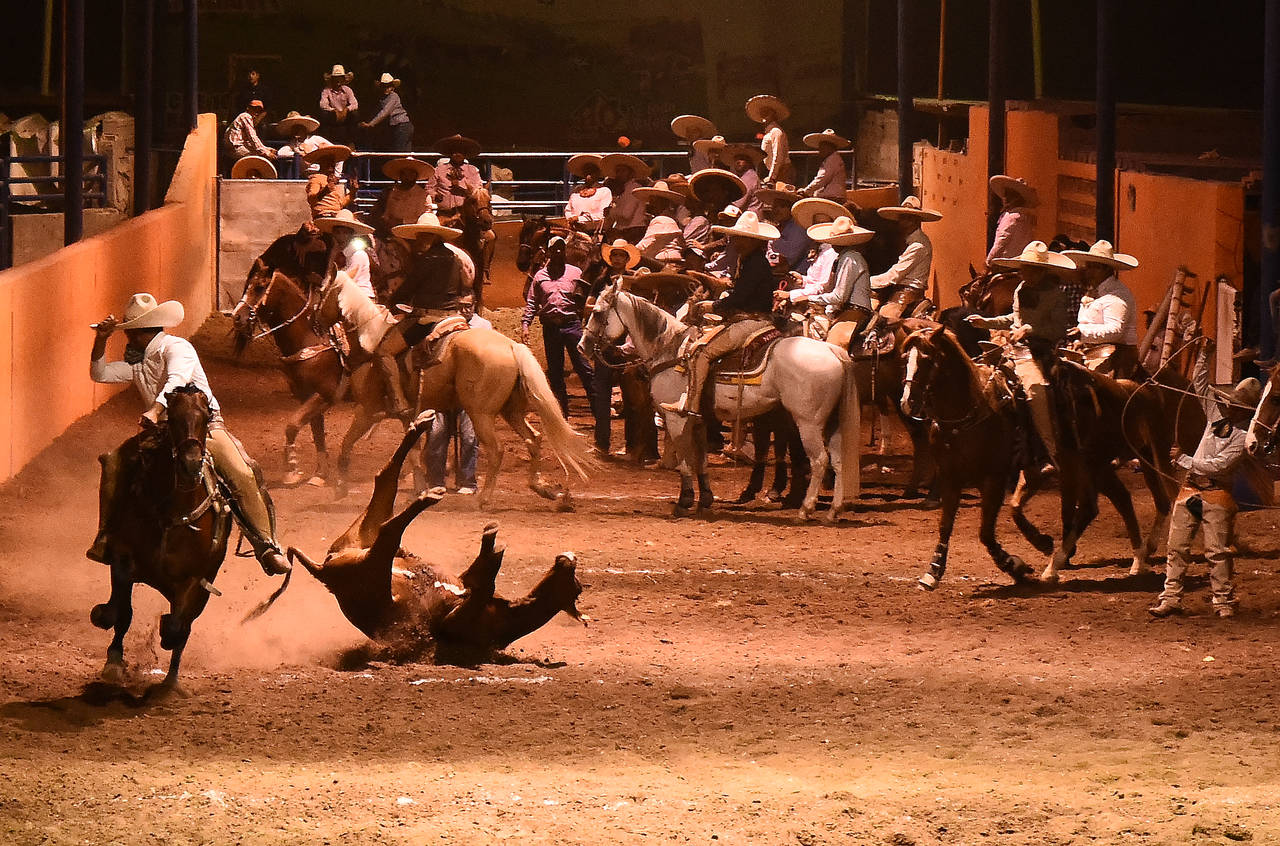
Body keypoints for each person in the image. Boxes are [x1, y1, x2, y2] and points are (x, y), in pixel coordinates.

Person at [88, 293, 290, 576]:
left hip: (199, 427)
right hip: (164, 431)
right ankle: (106, 536)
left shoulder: (177, 348)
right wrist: (101, 340)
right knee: (113, 463)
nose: (127, 339)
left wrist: (156, 410)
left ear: (138, 332)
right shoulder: (137, 362)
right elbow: (100, 374)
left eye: (128, 333)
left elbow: (177, 380)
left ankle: (266, 545)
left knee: (241, 473)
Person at [1150, 340, 1261, 618]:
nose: (1232, 409)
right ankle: (1171, 597)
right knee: (1176, 548)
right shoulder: (1216, 415)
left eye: (1238, 407)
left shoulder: (1243, 438)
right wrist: (1204, 354)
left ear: (1246, 412)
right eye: (1232, 404)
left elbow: (1218, 466)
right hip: (1190, 490)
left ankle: (1223, 601)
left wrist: (1183, 459)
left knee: (1217, 552)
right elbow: (1199, 385)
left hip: (1216, 494)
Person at [661, 211, 780, 418]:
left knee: (701, 352)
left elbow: (740, 298)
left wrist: (713, 306)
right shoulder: (752, 260)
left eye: (740, 238)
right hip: (757, 318)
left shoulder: (754, 264)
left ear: (751, 240)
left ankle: (691, 404)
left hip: (751, 321)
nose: (735, 242)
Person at [966, 241, 1076, 463]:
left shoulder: (1055, 295)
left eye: (1028, 268)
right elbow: (1012, 320)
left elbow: (1059, 328)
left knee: (1036, 391)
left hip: (1037, 351)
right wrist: (985, 322)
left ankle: (1051, 452)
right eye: (1023, 267)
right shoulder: (1020, 289)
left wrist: (1030, 330)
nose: (1022, 272)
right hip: (1011, 349)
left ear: (1041, 270)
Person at [376, 211, 471, 419]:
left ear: (434, 236)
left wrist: (392, 301)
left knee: (384, 351)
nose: (420, 240)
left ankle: (398, 401)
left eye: (425, 236)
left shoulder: (426, 259)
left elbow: (408, 288)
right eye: (420, 236)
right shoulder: (454, 258)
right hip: (453, 316)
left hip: (428, 319)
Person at [521, 236, 597, 417]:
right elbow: (532, 302)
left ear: (565, 252)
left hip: (571, 324)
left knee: (584, 367)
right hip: (551, 327)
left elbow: (586, 297)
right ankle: (562, 414)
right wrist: (525, 325)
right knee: (555, 371)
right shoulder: (540, 276)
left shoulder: (576, 273)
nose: (557, 252)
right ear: (548, 252)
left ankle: (597, 408)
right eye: (554, 249)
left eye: (561, 250)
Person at [425, 295, 490, 495]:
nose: (464, 310)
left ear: (475, 305)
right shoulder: (443, 325)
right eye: (460, 306)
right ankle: (435, 479)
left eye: (468, 306)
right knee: (436, 434)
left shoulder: (483, 326)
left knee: (470, 437)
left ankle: (468, 481)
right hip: (444, 391)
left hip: (469, 393)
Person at [1062, 240, 1141, 377]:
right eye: (1088, 266)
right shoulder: (1095, 290)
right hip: (1091, 351)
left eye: (1094, 267)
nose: (1088, 271)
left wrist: (1081, 332)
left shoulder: (1117, 295)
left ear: (1106, 269)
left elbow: (1115, 330)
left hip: (1116, 355)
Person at [870, 195, 942, 322]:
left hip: (907, 293)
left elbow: (894, 276)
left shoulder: (918, 245)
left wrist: (866, 281)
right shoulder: (909, 241)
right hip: (899, 289)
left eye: (907, 218)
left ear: (915, 220)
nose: (901, 221)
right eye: (902, 217)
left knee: (884, 319)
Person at [783, 199, 857, 312]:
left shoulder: (831, 252)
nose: (818, 227)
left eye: (822, 223)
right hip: (809, 299)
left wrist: (790, 295)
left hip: (819, 306)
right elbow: (817, 281)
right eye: (816, 224)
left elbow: (823, 288)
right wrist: (803, 280)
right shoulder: (821, 247)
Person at [315, 209, 376, 298]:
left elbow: (348, 279)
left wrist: (324, 285)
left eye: (345, 233)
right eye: (338, 232)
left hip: (362, 297)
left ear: (351, 235)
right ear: (333, 234)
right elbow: (329, 275)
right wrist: (322, 287)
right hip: (340, 295)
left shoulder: (358, 254)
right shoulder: (334, 253)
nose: (341, 236)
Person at [987, 175, 1037, 269]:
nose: (1005, 198)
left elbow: (1000, 242)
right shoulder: (1027, 218)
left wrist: (988, 263)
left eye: (1009, 195)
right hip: (1022, 265)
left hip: (1005, 265)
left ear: (1016, 198)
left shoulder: (1011, 218)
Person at [634, 180, 688, 266]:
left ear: (663, 201)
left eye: (654, 200)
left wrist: (630, 251)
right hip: (674, 260)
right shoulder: (672, 218)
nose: (650, 203)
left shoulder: (661, 219)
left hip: (664, 261)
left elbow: (646, 244)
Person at [431, 134, 484, 223]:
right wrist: (435, 196)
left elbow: (478, 192)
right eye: (455, 151)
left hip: (466, 215)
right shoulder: (438, 170)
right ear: (450, 153)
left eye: (461, 151)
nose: (457, 154)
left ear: (465, 154)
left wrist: (461, 187)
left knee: (490, 236)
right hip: (444, 214)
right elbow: (429, 189)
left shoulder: (473, 171)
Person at [758, 183, 808, 275]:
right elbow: (771, 253)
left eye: (782, 206)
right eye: (775, 206)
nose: (776, 210)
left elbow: (788, 258)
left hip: (795, 275)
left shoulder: (799, 229)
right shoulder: (778, 227)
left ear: (791, 209)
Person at [373, 157, 434, 232]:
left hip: (413, 232)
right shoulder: (391, 192)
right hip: (390, 230)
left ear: (416, 176)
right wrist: (386, 220)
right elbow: (386, 212)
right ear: (400, 176)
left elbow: (425, 218)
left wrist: (402, 221)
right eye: (404, 174)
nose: (407, 177)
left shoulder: (424, 196)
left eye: (411, 174)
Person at [601, 153, 650, 243]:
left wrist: (611, 212)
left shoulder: (634, 188)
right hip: (625, 230)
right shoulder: (623, 190)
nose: (619, 174)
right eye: (618, 171)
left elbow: (626, 214)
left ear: (631, 173)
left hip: (633, 231)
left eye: (623, 171)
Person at [360, 73, 414, 151]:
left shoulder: (394, 96)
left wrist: (371, 124)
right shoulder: (382, 99)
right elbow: (378, 112)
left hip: (402, 126)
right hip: (398, 127)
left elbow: (385, 112)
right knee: (400, 151)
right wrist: (367, 123)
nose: (386, 89)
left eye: (388, 86)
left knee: (400, 152)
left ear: (392, 87)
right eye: (384, 86)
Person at [746, 94, 792, 184]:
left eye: (767, 112)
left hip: (782, 172)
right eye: (762, 111)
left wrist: (772, 177)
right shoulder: (769, 132)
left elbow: (778, 155)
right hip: (776, 171)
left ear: (773, 114)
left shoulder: (776, 131)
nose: (764, 114)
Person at [304, 145, 357, 219]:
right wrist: (326, 190)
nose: (331, 165)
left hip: (336, 215)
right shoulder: (316, 178)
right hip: (323, 215)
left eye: (333, 162)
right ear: (321, 163)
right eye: (328, 162)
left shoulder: (334, 181)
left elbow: (340, 204)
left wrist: (352, 192)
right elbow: (311, 198)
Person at [564, 154, 612, 234]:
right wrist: (571, 218)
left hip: (594, 232)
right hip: (574, 230)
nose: (588, 175)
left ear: (597, 173)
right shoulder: (576, 191)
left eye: (592, 171)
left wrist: (580, 219)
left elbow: (602, 215)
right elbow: (568, 210)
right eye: (586, 171)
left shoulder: (604, 191)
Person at [799, 129, 850, 200]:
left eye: (822, 147)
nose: (820, 150)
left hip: (832, 198)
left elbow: (822, 178)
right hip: (830, 196)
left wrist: (806, 191)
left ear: (830, 147)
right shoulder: (831, 159)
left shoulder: (832, 160)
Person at [275, 112, 330, 179]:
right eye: (294, 129)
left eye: (299, 128)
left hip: (320, 173)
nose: (297, 131)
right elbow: (281, 153)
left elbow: (335, 150)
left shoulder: (315, 139)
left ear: (305, 129)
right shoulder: (292, 144)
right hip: (304, 175)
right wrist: (297, 153)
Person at [318, 64, 359, 146]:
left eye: (340, 79)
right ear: (332, 80)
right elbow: (323, 105)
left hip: (345, 115)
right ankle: (326, 141)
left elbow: (355, 104)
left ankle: (350, 141)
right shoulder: (326, 90)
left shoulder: (347, 90)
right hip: (333, 115)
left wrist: (346, 110)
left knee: (355, 114)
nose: (338, 81)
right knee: (324, 114)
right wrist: (334, 111)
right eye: (336, 79)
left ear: (343, 80)